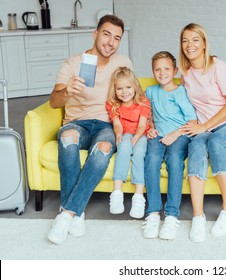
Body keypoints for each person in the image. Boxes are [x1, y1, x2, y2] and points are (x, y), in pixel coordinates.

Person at [47, 15, 133, 245]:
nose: (110, 42)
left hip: (106, 124)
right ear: (95, 34)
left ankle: (67, 214)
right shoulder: (73, 63)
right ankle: (77, 212)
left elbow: (132, 96)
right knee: (67, 137)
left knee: (103, 148)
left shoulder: (122, 62)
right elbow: (54, 102)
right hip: (77, 123)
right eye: (106, 34)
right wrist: (68, 92)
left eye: (116, 38)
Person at [179, 23, 226, 242]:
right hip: (206, 128)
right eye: (185, 40)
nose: (190, 45)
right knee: (196, 147)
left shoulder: (218, 66)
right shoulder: (185, 73)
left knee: (216, 141)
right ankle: (198, 216)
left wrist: (204, 126)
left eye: (195, 40)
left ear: (204, 44)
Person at [142, 51, 197, 240]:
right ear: (153, 72)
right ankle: (153, 213)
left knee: (174, 161)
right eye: (157, 69)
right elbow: (146, 115)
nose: (162, 72)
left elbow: (192, 119)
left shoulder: (180, 91)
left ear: (174, 71)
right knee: (151, 159)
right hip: (158, 136)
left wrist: (176, 134)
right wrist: (149, 128)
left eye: (166, 69)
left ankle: (172, 214)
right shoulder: (150, 92)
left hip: (180, 135)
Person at [106, 67, 150, 218]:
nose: (124, 92)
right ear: (115, 90)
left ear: (135, 87)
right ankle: (117, 192)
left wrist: (136, 137)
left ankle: (138, 197)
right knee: (124, 147)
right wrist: (118, 134)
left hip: (141, 134)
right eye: (120, 88)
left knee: (138, 153)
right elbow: (117, 124)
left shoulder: (143, 102)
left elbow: (143, 125)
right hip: (125, 133)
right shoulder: (113, 104)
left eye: (128, 87)